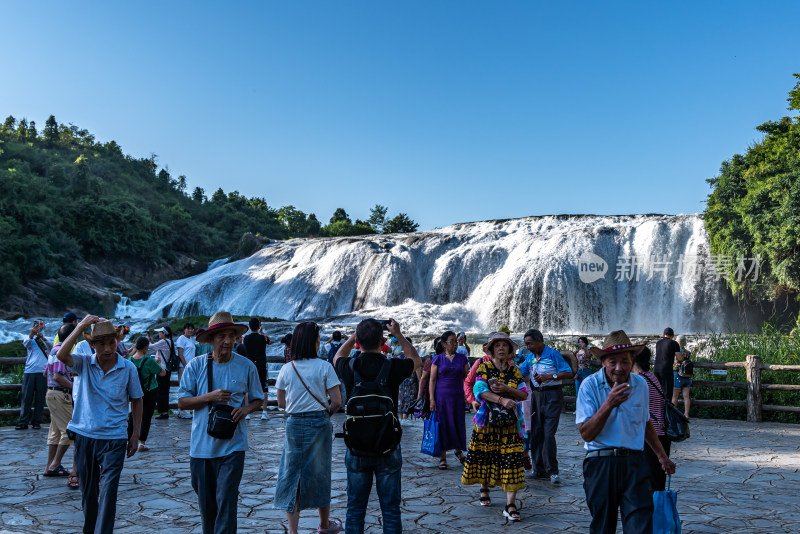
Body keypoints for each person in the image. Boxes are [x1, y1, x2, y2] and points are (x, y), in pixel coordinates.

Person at [576, 330, 676, 534]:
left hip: (635, 462)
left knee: (640, 526)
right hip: (601, 463)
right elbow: (586, 434)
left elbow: (645, 422)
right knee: (603, 526)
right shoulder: (589, 386)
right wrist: (609, 404)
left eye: (625, 361)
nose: (619, 368)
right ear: (603, 362)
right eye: (612, 362)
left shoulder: (640, 384)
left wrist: (661, 456)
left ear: (633, 361)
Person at [177, 312, 263, 534]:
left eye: (231, 336)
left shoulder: (246, 366)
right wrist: (210, 397)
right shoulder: (195, 366)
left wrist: (244, 410)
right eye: (221, 336)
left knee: (226, 501)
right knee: (208, 509)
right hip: (201, 449)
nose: (227, 341)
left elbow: (257, 398)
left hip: (233, 446)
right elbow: (182, 403)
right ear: (210, 340)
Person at [56, 315, 143, 534]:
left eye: (111, 342)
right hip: (85, 435)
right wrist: (81, 327)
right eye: (101, 343)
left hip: (114, 438)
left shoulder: (128, 368)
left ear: (117, 342)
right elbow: (61, 354)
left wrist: (135, 435)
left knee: (109, 490)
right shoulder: (84, 363)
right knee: (89, 492)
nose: (107, 348)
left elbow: (137, 400)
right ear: (92, 345)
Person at [333, 318, 421, 534]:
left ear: (357, 341)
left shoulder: (349, 366)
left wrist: (354, 335)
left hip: (357, 447)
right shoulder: (392, 366)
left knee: (355, 508)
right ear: (382, 341)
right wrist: (398, 335)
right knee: (391, 509)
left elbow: (337, 357)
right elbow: (416, 360)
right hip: (387, 445)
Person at [274, 322, 343, 534]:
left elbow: (280, 402)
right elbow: (337, 402)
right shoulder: (325, 367)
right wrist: (322, 413)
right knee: (321, 472)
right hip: (319, 423)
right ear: (314, 342)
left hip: (294, 424)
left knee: (292, 474)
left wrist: (299, 408)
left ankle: (293, 531)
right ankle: (324, 524)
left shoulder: (287, 368)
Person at [461, 331, 528, 521]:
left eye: (504, 345)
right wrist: (501, 399)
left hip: (510, 423)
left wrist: (507, 389)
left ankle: (510, 504)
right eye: (497, 345)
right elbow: (479, 389)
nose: (501, 348)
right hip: (488, 421)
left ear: (509, 350)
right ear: (490, 349)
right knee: (486, 455)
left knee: (513, 459)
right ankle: (484, 487)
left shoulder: (514, 371)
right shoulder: (484, 367)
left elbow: (524, 394)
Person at [517, 329, 575, 484]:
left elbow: (568, 372)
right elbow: (520, 373)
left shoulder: (553, 354)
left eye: (530, 344)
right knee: (536, 431)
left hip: (552, 395)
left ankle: (553, 471)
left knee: (549, 433)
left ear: (539, 341)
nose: (528, 347)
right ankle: (538, 469)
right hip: (536, 396)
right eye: (526, 344)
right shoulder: (530, 357)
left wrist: (549, 376)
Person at [632, 347, 671, 493]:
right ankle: (658, 512)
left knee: (648, 483)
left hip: (650, 436)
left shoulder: (639, 380)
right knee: (656, 481)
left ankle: (652, 513)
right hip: (661, 433)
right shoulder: (651, 377)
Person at [429, 330, 469, 469]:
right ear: (444, 344)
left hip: (457, 396)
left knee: (458, 423)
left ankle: (458, 450)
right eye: (452, 341)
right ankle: (443, 457)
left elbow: (466, 378)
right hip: (442, 397)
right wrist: (432, 399)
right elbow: (432, 381)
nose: (455, 344)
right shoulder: (438, 359)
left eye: (456, 341)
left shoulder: (462, 358)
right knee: (443, 425)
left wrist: (467, 395)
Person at [43, 323, 77, 483]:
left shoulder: (53, 350)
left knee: (55, 432)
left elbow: (46, 374)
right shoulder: (61, 352)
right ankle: (55, 464)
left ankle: (49, 466)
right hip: (60, 395)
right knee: (70, 432)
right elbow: (58, 376)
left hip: (51, 394)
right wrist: (76, 386)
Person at [128, 337, 166, 451]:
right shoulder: (149, 361)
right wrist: (159, 363)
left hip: (135, 392)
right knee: (146, 417)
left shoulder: (130, 360)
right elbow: (162, 373)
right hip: (150, 391)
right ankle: (142, 443)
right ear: (145, 347)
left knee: (133, 416)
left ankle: (128, 440)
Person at [17, 319, 52, 430]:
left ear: (44, 327)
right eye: (37, 324)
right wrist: (32, 334)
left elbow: (52, 348)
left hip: (43, 371)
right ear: (33, 326)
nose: (39, 326)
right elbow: (25, 344)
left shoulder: (48, 339)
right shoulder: (29, 339)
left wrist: (43, 338)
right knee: (26, 397)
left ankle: (36, 422)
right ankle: (23, 422)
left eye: (41, 324)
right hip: (29, 371)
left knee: (40, 398)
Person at [243, 318, 272, 420]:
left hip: (249, 365)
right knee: (264, 388)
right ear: (259, 326)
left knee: (248, 388)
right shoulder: (262, 338)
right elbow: (270, 342)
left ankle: (248, 412)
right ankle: (264, 412)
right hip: (261, 365)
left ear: (249, 326)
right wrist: (262, 332)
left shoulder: (245, 338)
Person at [150, 326, 177, 420]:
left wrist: (146, 341)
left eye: (160, 332)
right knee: (165, 390)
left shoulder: (163, 342)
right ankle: (164, 411)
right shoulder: (169, 342)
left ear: (164, 333)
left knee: (161, 391)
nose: (159, 334)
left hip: (162, 369)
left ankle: (164, 412)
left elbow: (151, 347)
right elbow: (158, 348)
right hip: (167, 369)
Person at [175, 322, 197, 418]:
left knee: (189, 387)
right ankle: (181, 411)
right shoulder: (181, 338)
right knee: (183, 387)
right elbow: (180, 354)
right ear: (184, 330)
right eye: (188, 328)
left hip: (190, 367)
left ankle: (185, 410)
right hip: (183, 366)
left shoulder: (191, 339)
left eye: (192, 329)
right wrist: (186, 365)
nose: (190, 330)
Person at [654, 327, 681, 399]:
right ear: (672, 336)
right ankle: (666, 409)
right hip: (666, 370)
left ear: (663, 335)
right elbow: (680, 358)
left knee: (657, 391)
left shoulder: (658, 343)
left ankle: (657, 409)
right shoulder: (674, 343)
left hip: (656, 369)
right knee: (667, 393)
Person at [672, 334, 692, 420]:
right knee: (686, 396)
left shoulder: (676, 352)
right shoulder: (688, 352)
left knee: (675, 396)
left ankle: (673, 414)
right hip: (687, 376)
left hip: (677, 375)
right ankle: (686, 414)